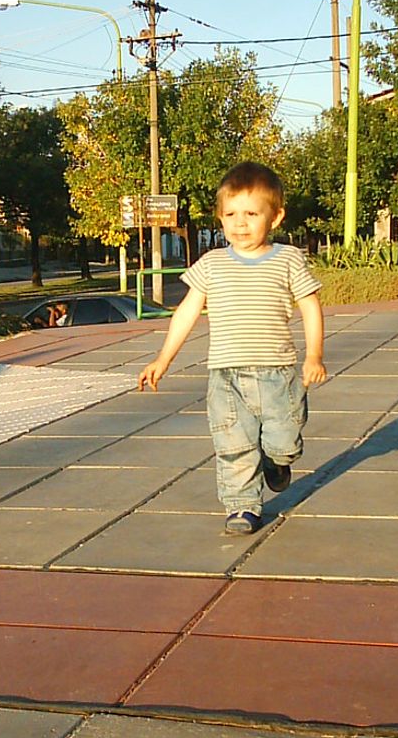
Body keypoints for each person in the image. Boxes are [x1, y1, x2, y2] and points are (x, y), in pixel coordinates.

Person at [138, 161, 327, 534]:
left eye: (252, 214)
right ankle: (242, 507)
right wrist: (164, 357)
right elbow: (188, 310)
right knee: (233, 446)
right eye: (231, 214)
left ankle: (276, 463)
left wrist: (314, 355)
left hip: (279, 374)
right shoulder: (212, 264)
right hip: (226, 378)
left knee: (284, 442)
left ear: (275, 217)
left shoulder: (288, 259)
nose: (240, 224)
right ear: (220, 218)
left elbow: (310, 306)